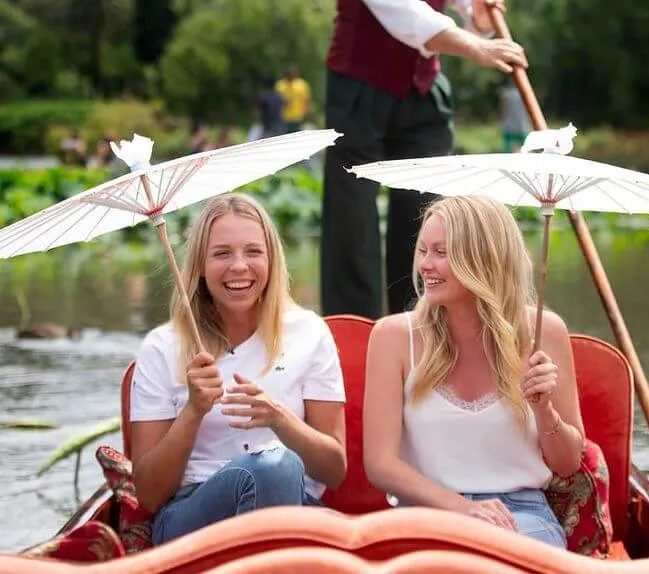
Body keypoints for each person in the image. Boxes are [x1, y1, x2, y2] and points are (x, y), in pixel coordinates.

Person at [321, 0, 529, 320]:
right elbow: (410, 18)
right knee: (353, 223)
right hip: (360, 89)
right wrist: (478, 47)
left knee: (426, 217)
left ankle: (418, 325)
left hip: (423, 89)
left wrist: (481, 12)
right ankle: (353, 331)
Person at [362, 195, 584, 548]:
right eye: (423, 251)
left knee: (504, 555)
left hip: (522, 515)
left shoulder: (545, 332)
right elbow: (380, 464)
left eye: (441, 252)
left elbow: (569, 463)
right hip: (428, 511)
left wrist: (543, 408)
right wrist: (462, 508)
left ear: (482, 258)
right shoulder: (392, 337)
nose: (425, 265)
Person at [129, 193, 347, 544]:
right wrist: (193, 411)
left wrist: (279, 418)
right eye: (221, 253)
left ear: (272, 260)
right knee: (274, 467)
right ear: (200, 265)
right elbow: (150, 495)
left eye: (253, 251)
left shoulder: (309, 333)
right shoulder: (162, 347)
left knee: (279, 466)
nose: (239, 266)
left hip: (293, 506)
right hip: (192, 513)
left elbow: (334, 471)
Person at [276, 66, 311, 133]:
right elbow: (276, 100)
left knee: (295, 137)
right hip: (283, 117)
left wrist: (306, 113)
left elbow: (306, 100)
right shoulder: (280, 85)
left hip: (297, 117)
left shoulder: (302, 85)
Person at [500, 81, 532, 152]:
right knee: (524, 146)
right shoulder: (525, 93)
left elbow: (503, 109)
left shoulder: (505, 94)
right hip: (522, 122)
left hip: (509, 122)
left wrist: (502, 120)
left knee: (508, 146)